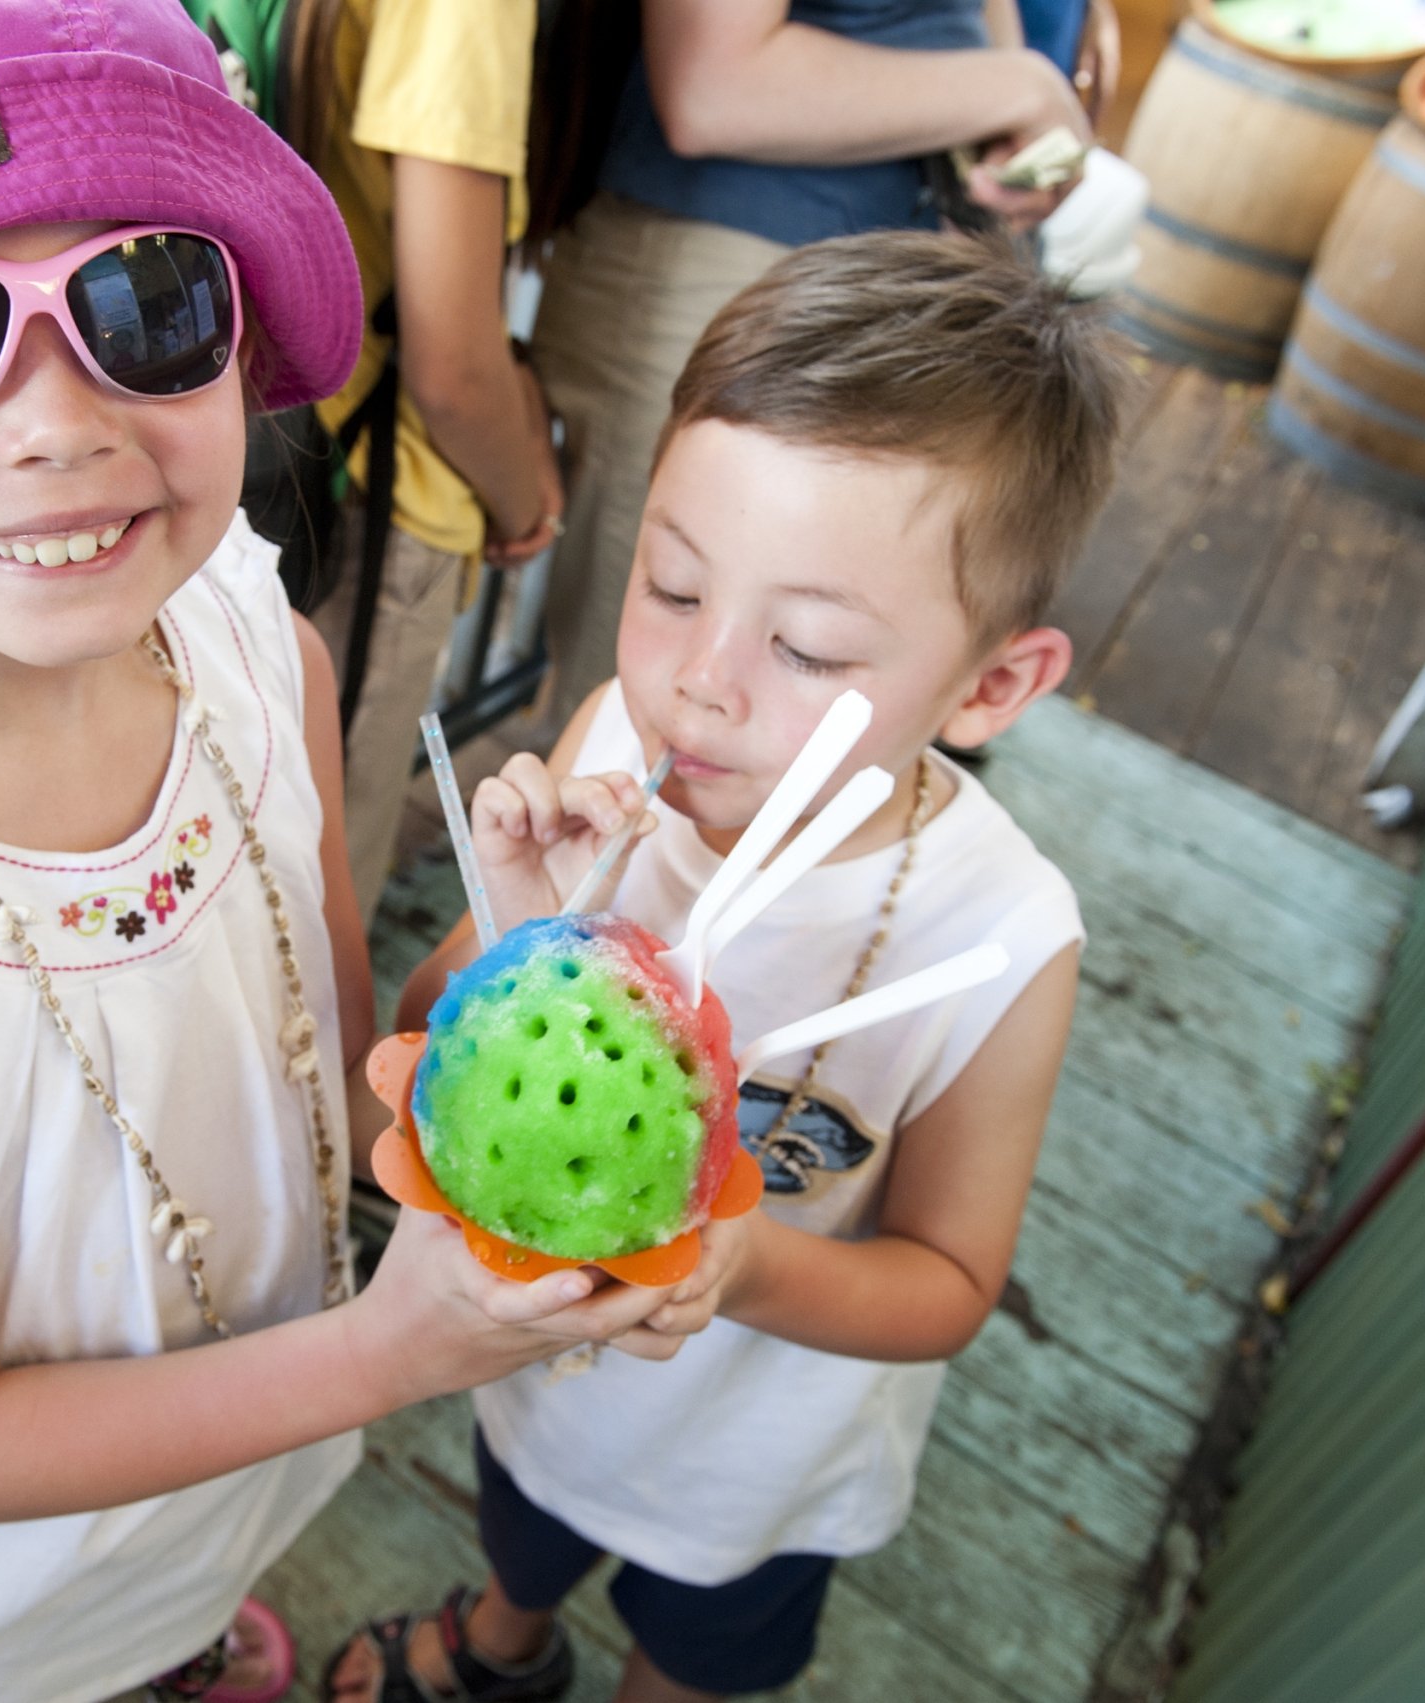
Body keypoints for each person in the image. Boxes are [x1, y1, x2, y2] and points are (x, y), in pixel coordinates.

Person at [0, 4, 693, 1699]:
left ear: (237, 344)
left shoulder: (259, 642)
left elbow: (315, 1042)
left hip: (248, 1437)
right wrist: (390, 1351)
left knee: (189, 1595)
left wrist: (499, 969)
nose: (57, 423)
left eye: (147, 301)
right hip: (2, 1600)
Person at [329, 232, 1131, 1703]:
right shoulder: (622, 754)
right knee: (521, 1527)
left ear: (991, 685)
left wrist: (743, 1259)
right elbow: (423, 1026)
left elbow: (948, 1280)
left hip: (758, 1460)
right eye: (673, 583)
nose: (701, 678)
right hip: (539, 1379)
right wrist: (523, 931)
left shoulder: (1001, 938)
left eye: (811, 644)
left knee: (701, 1652)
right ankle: (508, 1638)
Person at [533, 0, 1092, 732]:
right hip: (734, 262)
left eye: (812, 650)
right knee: (640, 731)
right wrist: (1017, 87)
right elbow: (711, 85)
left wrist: (1007, 129)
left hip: (909, 277)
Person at [295, 0, 566, 925]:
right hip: (374, 497)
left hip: (269, 454)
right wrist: (526, 500)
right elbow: (451, 363)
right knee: (318, 894)